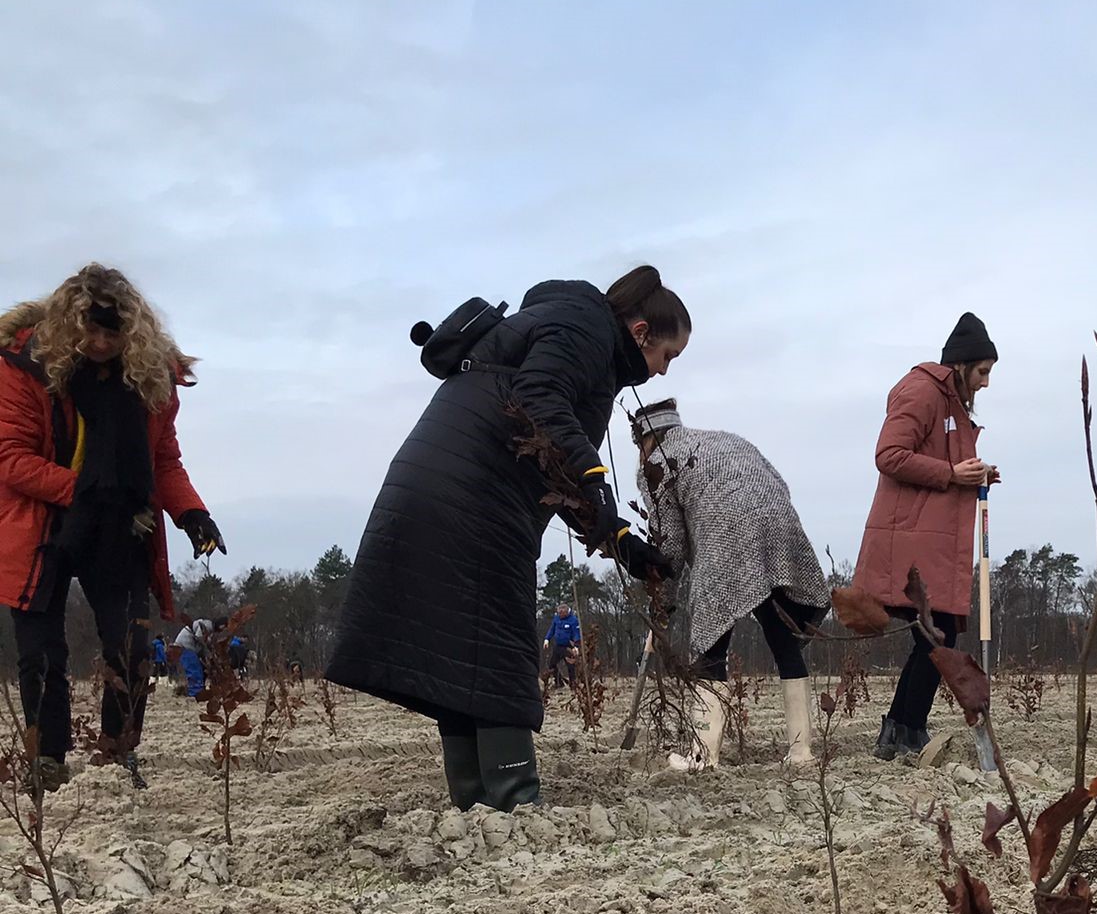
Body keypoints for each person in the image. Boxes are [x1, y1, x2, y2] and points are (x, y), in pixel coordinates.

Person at [327, 267, 682, 810]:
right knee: (496, 645)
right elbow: (539, 398)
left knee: (460, 653)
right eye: (667, 357)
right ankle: (514, 803)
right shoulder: (583, 328)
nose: (661, 373)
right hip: (473, 497)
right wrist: (593, 471)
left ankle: (474, 804)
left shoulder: (565, 328)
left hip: (434, 486)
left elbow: (553, 468)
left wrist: (624, 546)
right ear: (640, 333)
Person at [0, 264, 222, 788]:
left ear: (131, 332)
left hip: (121, 524)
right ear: (68, 324)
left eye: (111, 332)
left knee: (131, 647)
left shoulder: (151, 377)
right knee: (40, 654)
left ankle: (118, 756)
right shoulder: (21, 363)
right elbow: (10, 458)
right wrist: (86, 491)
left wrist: (192, 513)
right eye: (89, 330)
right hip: (42, 525)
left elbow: (163, 459)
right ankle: (46, 761)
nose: (99, 342)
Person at [632, 399, 830, 769]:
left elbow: (669, 544)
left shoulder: (656, 464)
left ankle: (702, 754)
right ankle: (802, 752)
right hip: (779, 524)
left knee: (709, 645)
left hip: (728, 535)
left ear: (643, 439)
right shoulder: (724, 439)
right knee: (782, 635)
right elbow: (779, 482)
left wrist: (662, 601)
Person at [850, 314, 999, 763]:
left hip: (933, 539)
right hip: (913, 538)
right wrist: (952, 474)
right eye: (983, 372)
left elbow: (945, 465)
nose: (987, 383)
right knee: (938, 637)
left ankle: (901, 728)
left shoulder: (953, 403)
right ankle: (905, 728)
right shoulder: (922, 392)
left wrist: (975, 475)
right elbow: (889, 454)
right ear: (960, 365)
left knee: (937, 636)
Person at [542, 602, 581, 689]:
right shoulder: (556, 619)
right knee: (551, 665)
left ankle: (573, 684)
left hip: (568, 646)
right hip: (558, 646)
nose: (559, 615)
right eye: (558, 613)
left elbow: (576, 634)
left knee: (570, 666)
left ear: (566, 612)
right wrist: (547, 639)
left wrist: (576, 646)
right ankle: (559, 682)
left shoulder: (573, 620)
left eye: (561, 613)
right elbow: (551, 629)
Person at [174, 620, 210, 699]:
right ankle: (195, 693)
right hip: (185, 646)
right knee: (194, 670)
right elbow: (198, 636)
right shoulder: (207, 625)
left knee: (198, 669)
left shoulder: (206, 625)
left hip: (186, 646)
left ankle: (197, 691)